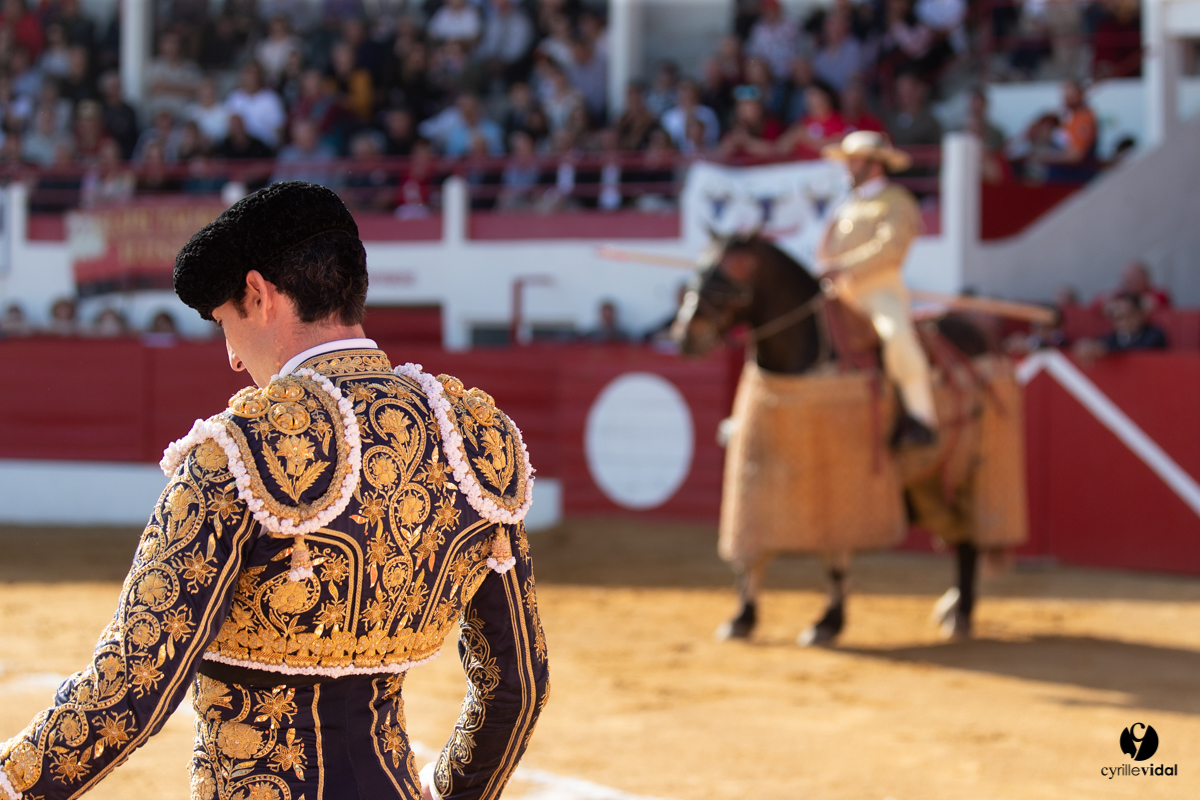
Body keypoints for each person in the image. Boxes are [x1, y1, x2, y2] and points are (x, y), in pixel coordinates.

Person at [0, 181, 549, 800]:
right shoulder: (472, 440)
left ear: (259, 296)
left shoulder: (237, 455)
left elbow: (132, 684)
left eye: (224, 322)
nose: (232, 358)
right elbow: (519, 686)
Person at [817, 131, 937, 445]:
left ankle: (922, 416)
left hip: (879, 290)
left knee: (896, 336)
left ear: (874, 165)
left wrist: (843, 266)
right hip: (839, 293)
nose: (846, 168)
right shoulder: (844, 205)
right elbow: (824, 252)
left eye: (853, 161)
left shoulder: (897, 200)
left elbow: (891, 248)